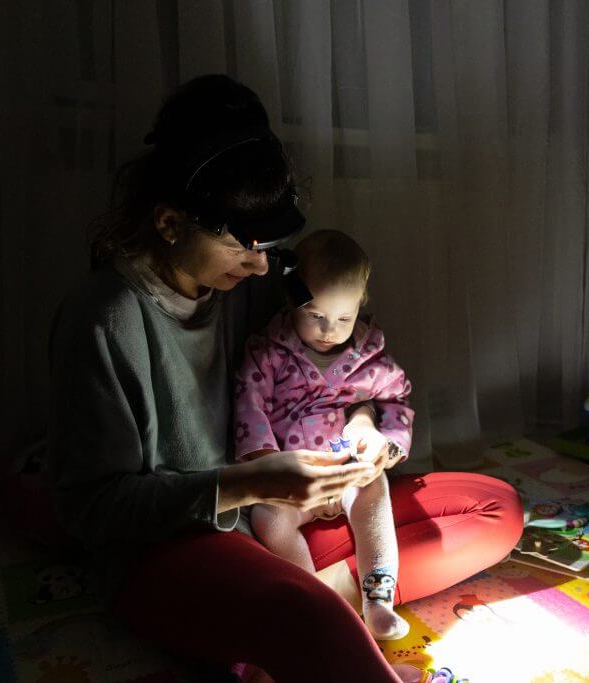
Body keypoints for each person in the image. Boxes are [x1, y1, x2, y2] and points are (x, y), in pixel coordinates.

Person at [47, 74, 523, 682]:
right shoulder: (103, 320)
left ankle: (322, 607)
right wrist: (247, 485)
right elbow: (91, 509)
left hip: (281, 531)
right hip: (175, 549)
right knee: (305, 615)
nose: (264, 265)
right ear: (169, 224)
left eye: (273, 244)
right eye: (246, 245)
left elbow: (349, 376)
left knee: (494, 509)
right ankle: (311, 615)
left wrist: (364, 425)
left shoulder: (250, 287)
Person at [236, 229, 412, 641]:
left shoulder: (370, 360)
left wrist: (384, 447)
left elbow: (398, 403)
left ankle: (378, 600)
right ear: (290, 301)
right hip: (290, 478)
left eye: (343, 318)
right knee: (269, 518)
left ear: (360, 308)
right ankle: (315, 601)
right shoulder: (269, 352)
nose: (330, 330)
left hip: (346, 469)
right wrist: (265, 464)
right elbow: (249, 403)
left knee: (375, 488)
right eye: (316, 315)